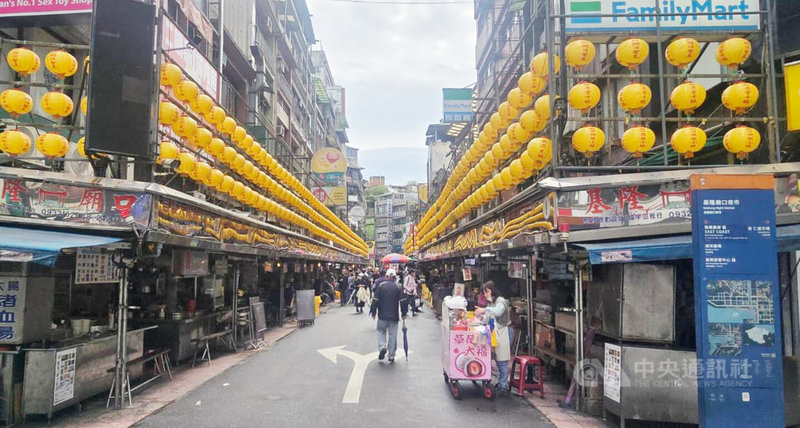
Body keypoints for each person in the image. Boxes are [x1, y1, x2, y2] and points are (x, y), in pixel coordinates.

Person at [474, 281, 511, 396]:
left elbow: (498, 312)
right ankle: (501, 383)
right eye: (484, 292)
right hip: (495, 333)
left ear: (493, 290)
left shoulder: (501, 301)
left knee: (502, 361)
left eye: (487, 291)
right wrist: (481, 317)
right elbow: (489, 317)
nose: (485, 294)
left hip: (503, 332)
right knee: (496, 358)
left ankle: (503, 386)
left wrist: (484, 310)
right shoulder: (491, 303)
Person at [370, 268, 402, 363]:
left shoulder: (381, 286)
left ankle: (382, 347)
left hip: (382, 315)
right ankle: (391, 355)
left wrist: (373, 311)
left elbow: (375, 300)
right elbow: (403, 301)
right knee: (393, 335)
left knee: (380, 331)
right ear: (395, 277)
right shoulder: (398, 287)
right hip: (394, 316)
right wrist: (404, 314)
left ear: (386, 276)